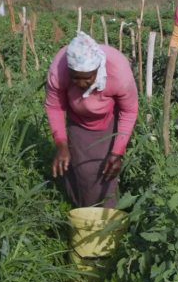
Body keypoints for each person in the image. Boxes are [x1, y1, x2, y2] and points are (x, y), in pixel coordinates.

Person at [45, 31, 138, 208]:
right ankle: (84, 212)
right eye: (75, 78)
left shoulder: (118, 72)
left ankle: (108, 219)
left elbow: (129, 111)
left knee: (108, 170)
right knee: (83, 171)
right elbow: (54, 107)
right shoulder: (59, 69)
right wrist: (61, 144)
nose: (80, 84)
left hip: (110, 118)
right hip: (78, 120)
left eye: (87, 78)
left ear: (98, 69)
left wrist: (117, 152)